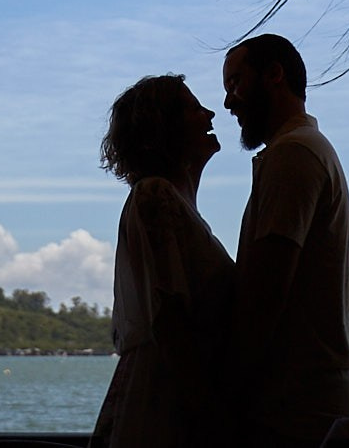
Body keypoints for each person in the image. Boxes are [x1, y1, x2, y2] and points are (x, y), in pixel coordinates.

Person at [224, 34, 349, 448]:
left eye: (235, 83)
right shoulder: (308, 150)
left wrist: (224, 392)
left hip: (299, 407)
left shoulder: (293, 155)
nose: (229, 102)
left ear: (274, 75)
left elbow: (264, 296)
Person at [90, 73, 235, 448]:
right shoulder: (155, 196)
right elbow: (170, 317)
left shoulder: (174, 203)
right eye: (192, 108)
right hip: (168, 400)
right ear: (163, 128)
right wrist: (211, 416)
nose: (209, 114)